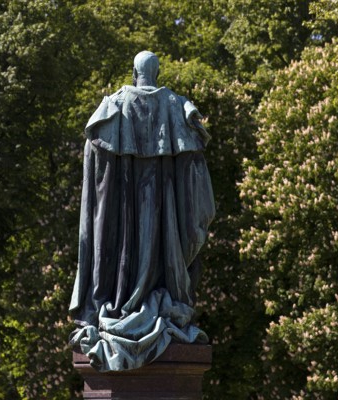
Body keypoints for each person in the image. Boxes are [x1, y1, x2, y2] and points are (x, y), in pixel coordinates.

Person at [69, 51, 215, 372]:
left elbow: (96, 182)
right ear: (157, 72)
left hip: (120, 224)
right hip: (164, 219)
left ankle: (123, 305)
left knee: (125, 254)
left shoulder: (112, 109)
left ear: (135, 73)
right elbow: (195, 180)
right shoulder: (177, 107)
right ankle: (153, 301)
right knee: (161, 251)